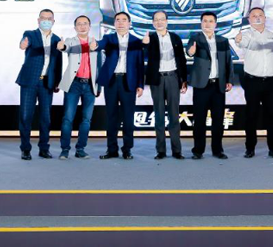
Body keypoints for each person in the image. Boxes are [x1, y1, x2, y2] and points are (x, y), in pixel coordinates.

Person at [93, 12, 144, 160]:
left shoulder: (136, 41)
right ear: (114, 23)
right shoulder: (108, 38)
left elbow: (140, 65)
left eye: (124, 20)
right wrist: (95, 45)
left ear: (129, 23)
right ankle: (111, 149)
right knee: (111, 117)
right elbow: (100, 45)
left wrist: (140, 84)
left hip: (129, 82)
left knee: (128, 118)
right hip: (112, 81)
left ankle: (127, 149)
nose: (121, 23)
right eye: (118, 20)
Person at [234, 7, 273, 159]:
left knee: (272, 116)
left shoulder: (272, 36)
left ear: (265, 18)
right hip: (252, 81)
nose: (257, 18)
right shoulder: (246, 35)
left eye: (260, 15)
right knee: (251, 116)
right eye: (254, 16)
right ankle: (250, 148)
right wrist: (238, 40)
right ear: (249, 20)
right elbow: (242, 44)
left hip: (270, 81)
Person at [15, 9, 63, 160]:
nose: (46, 21)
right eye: (43, 18)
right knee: (25, 116)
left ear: (53, 21)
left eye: (49, 19)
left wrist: (57, 82)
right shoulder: (30, 34)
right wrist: (23, 45)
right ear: (38, 20)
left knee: (45, 118)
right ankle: (25, 149)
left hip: (47, 83)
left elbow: (58, 63)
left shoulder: (57, 39)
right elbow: (23, 44)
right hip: (29, 81)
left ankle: (44, 148)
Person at [187, 12, 234, 160]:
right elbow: (189, 51)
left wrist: (229, 79)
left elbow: (228, 61)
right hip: (202, 86)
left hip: (218, 85)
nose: (207, 24)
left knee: (218, 120)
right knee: (199, 120)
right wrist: (190, 52)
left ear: (215, 24)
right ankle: (198, 150)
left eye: (211, 21)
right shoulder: (195, 38)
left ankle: (217, 150)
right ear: (201, 23)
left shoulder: (223, 41)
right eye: (205, 21)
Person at [142, 11, 188, 160]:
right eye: (156, 20)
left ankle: (177, 150)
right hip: (157, 79)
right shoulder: (150, 38)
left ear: (167, 21)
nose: (159, 22)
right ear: (153, 23)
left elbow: (181, 59)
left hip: (173, 77)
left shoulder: (175, 37)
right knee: (159, 115)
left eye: (162, 19)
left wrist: (184, 80)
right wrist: (144, 45)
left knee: (174, 115)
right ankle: (160, 150)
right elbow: (143, 55)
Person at [56, 15, 99, 160]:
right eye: (79, 24)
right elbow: (66, 48)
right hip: (73, 84)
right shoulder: (70, 41)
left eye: (85, 23)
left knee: (86, 119)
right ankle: (64, 149)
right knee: (68, 118)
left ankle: (80, 149)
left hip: (90, 85)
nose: (82, 26)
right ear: (75, 27)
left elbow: (99, 65)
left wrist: (98, 86)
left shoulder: (95, 43)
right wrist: (62, 47)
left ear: (89, 26)